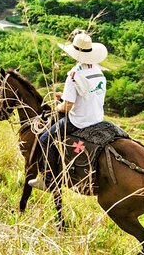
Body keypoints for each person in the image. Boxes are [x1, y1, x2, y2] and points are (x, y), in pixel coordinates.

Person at [29, 30, 108, 191]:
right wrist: (64, 96)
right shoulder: (99, 72)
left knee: (45, 139)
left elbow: (67, 107)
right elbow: (88, 96)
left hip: (79, 121)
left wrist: (58, 106)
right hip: (98, 119)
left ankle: (48, 180)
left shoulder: (73, 74)